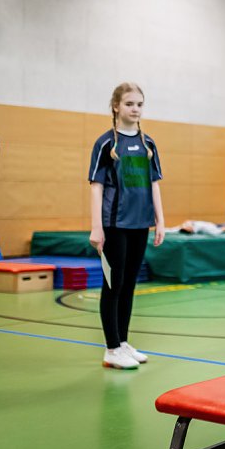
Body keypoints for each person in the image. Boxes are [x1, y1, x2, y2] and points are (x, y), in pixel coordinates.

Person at [88, 82, 165, 370]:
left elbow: (155, 184)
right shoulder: (106, 143)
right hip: (114, 224)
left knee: (130, 284)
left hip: (140, 224)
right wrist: (97, 226)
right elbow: (95, 186)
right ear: (116, 107)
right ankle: (111, 348)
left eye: (140, 104)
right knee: (113, 284)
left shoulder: (149, 144)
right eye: (130, 104)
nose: (135, 109)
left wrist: (160, 220)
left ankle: (122, 342)